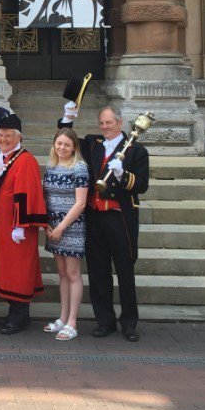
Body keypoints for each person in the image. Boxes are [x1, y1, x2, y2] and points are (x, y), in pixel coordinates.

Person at [61, 104, 150, 342]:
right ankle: (105, 321)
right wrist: (67, 117)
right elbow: (66, 139)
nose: (104, 127)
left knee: (124, 271)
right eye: (101, 123)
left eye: (109, 123)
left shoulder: (136, 151)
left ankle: (129, 323)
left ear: (119, 123)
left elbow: (141, 185)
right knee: (99, 272)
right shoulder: (93, 144)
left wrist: (122, 176)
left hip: (119, 218)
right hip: (95, 217)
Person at [0, 114, 48, 335]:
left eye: (8, 136)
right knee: (5, 270)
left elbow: (26, 194)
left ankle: (19, 315)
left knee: (17, 271)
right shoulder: (4, 159)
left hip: (17, 229)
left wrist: (20, 226)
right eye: (0, 135)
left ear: (18, 137)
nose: (3, 139)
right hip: (0, 226)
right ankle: (16, 313)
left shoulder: (25, 160)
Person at [41, 129, 90, 341]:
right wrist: (47, 225)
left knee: (72, 273)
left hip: (72, 226)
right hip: (53, 226)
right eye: (59, 144)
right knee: (61, 272)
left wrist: (61, 227)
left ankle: (72, 322)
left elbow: (80, 203)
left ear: (74, 148)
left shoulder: (79, 168)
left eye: (67, 145)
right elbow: (44, 197)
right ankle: (62, 317)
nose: (62, 148)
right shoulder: (51, 166)